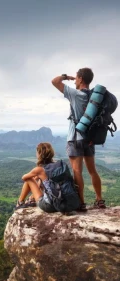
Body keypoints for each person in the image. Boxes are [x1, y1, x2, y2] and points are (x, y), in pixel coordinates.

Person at [51, 68, 105, 210]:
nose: (74, 80)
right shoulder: (94, 98)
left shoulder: (76, 94)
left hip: (75, 138)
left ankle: (81, 203)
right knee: (92, 170)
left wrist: (66, 77)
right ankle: (99, 200)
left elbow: (55, 81)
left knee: (77, 171)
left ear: (81, 79)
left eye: (76, 78)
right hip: (90, 138)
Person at [15, 143, 80, 213]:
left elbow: (24, 178)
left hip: (50, 206)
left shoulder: (39, 169)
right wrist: (39, 177)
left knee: (29, 180)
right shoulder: (60, 165)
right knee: (44, 182)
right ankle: (31, 199)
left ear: (39, 154)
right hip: (68, 203)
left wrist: (35, 176)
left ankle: (20, 203)